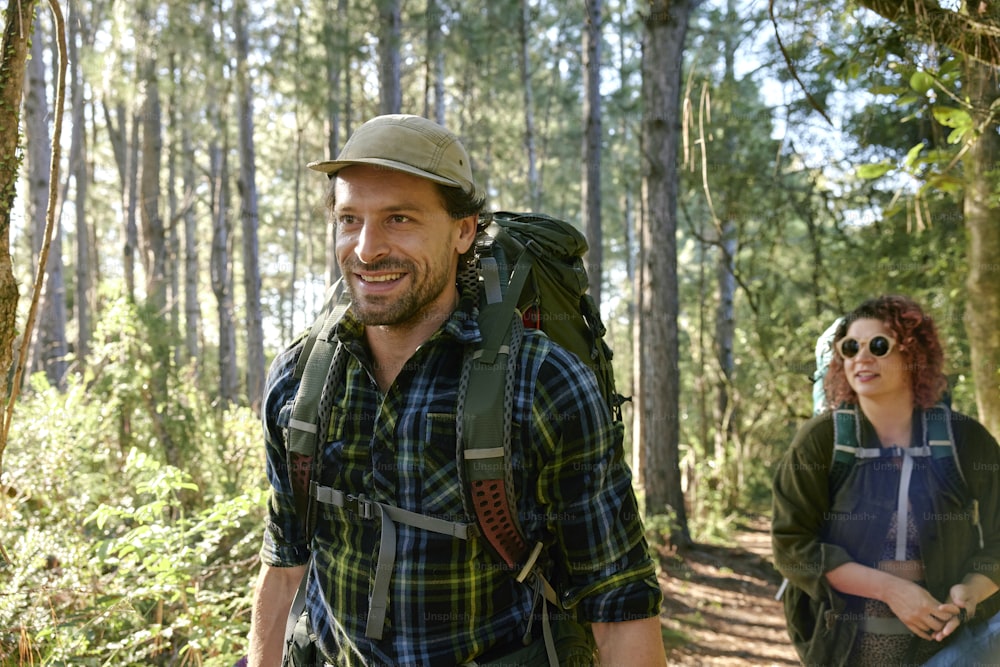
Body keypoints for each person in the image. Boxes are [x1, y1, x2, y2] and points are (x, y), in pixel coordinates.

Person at [246, 114, 666, 667]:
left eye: (400, 218)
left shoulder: (543, 383)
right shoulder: (301, 379)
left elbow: (619, 605)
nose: (367, 249)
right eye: (350, 219)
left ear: (464, 230)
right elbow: (284, 564)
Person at [771, 294, 1000, 666]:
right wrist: (892, 590)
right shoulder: (821, 441)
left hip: (947, 649)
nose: (861, 357)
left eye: (878, 345)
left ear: (913, 354)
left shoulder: (966, 442)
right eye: (850, 347)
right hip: (845, 647)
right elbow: (792, 545)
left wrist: (971, 592)